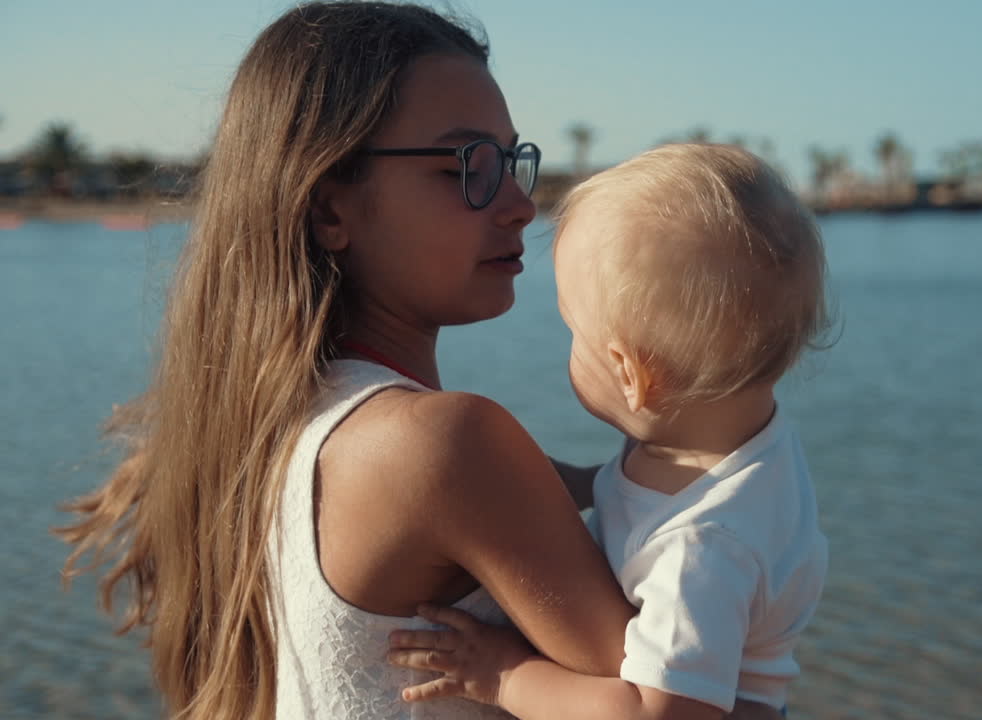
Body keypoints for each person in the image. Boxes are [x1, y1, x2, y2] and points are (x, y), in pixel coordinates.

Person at [55, 3, 640, 719]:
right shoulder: (441, 444)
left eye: (511, 159)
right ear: (330, 208)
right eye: (468, 165)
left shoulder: (257, 430)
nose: (521, 204)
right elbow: (686, 704)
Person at [387, 143, 831, 719]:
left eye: (573, 330)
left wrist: (504, 676)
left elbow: (652, 714)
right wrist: (541, 484)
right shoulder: (729, 435)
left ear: (630, 374)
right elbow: (631, 497)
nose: (568, 344)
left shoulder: (702, 552)